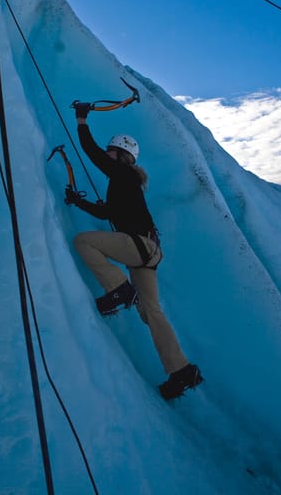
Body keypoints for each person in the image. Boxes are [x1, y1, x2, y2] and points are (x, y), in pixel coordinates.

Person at [65, 102, 203, 400]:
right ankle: (181, 371)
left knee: (84, 242)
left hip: (138, 246)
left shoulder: (123, 176)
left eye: (111, 150)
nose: (107, 153)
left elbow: (91, 153)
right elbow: (107, 214)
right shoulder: (126, 184)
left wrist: (81, 119)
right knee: (151, 311)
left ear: (123, 156)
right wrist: (78, 202)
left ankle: (118, 289)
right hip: (148, 251)